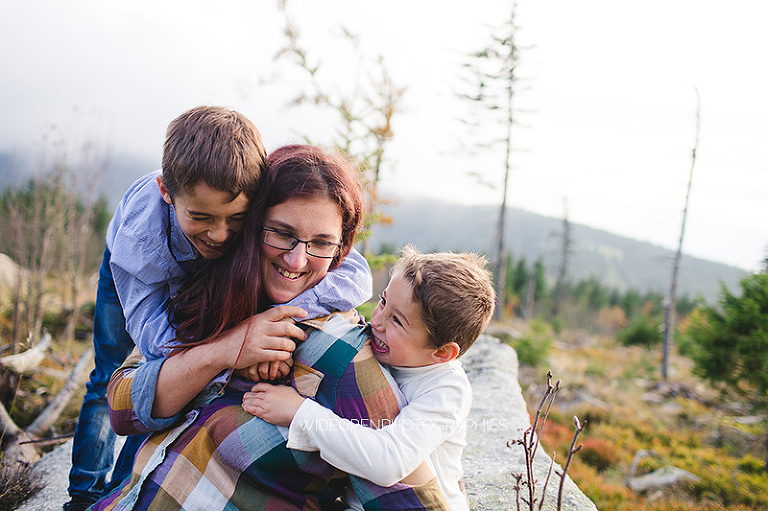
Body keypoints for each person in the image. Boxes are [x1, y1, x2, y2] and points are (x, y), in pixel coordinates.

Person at [94, 145, 450, 510]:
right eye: (282, 233)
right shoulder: (205, 292)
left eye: (321, 243)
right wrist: (225, 350)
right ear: (250, 224)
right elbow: (122, 408)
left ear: (341, 247)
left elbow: (409, 496)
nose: (297, 260)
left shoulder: (336, 348)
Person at [65, 108, 372, 511]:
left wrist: (278, 319)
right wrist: (235, 348)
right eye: (201, 216)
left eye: (238, 219)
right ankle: (84, 492)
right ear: (165, 191)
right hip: (129, 273)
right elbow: (156, 345)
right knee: (109, 371)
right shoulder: (140, 244)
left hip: (206, 278)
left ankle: (125, 485)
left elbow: (356, 276)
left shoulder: (246, 226)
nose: (221, 233)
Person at [243, 247, 496, 510]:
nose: (377, 321)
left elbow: (388, 463)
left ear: (442, 352)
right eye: (384, 301)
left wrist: (299, 413)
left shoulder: (446, 389)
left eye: (397, 321)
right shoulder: (382, 349)